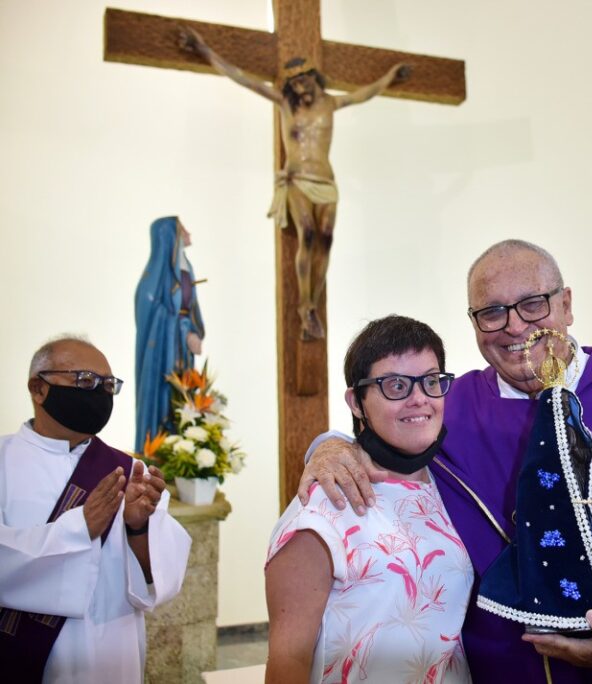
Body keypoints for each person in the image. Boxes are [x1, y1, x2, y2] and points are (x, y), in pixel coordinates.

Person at [299, 240, 592, 683]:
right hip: (496, 669)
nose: (515, 327)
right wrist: (331, 443)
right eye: (492, 312)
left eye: (533, 304)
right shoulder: (453, 409)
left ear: (566, 305)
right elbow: (385, 432)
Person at [265, 316, 472, 682]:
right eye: (396, 385)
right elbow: (288, 662)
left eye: (430, 381)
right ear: (356, 402)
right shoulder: (324, 509)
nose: (419, 399)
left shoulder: (448, 481)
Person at [179, 27, 409, 341]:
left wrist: (390, 76)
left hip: (326, 181)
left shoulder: (330, 103)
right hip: (298, 179)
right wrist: (204, 49)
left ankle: (314, 299)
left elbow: (365, 93)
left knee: (326, 239)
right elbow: (243, 78)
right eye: (294, 83)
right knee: (308, 234)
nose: (299, 87)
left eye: (303, 80)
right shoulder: (286, 105)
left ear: (314, 77)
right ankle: (305, 306)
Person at [0, 336, 191, 682]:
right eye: (85, 381)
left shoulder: (131, 473)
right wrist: (80, 528)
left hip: (111, 654)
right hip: (21, 654)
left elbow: (158, 581)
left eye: (107, 385)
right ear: (38, 389)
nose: (99, 393)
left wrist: (137, 528)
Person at [135, 216, 205, 454]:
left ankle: (182, 448)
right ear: (170, 237)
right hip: (163, 350)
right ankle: (158, 449)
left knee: (184, 394)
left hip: (182, 350)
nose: (188, 233)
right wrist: (182, 330)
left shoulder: (186, 267)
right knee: (163, 395)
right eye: (182, 229)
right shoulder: (155, 278)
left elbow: (189, 307)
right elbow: (151, 310)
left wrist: (192, 331)